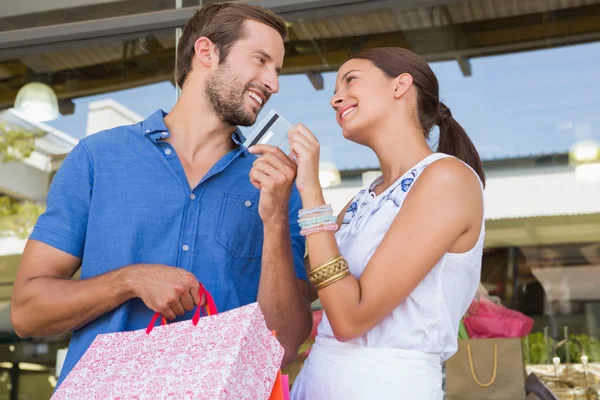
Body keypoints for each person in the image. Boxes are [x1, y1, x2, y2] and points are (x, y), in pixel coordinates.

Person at [10, 2, 312, 389]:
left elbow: (284, 344)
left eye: (277, 69)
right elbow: (27, 312)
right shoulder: (98, 158)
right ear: (206, 52)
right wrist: (128, 281)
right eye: (260, 60)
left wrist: (273, 219)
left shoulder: (278, 183)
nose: (273, 83)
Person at [284, 47, 486, 399]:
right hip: (314, 384)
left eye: (350, 80)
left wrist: (311, 191)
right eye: (334, 90)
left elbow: (350, 319)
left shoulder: (447, 178)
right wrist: (273, 209)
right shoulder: (364, 199)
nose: (335, 99)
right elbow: (298, 294)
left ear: (400, 85)